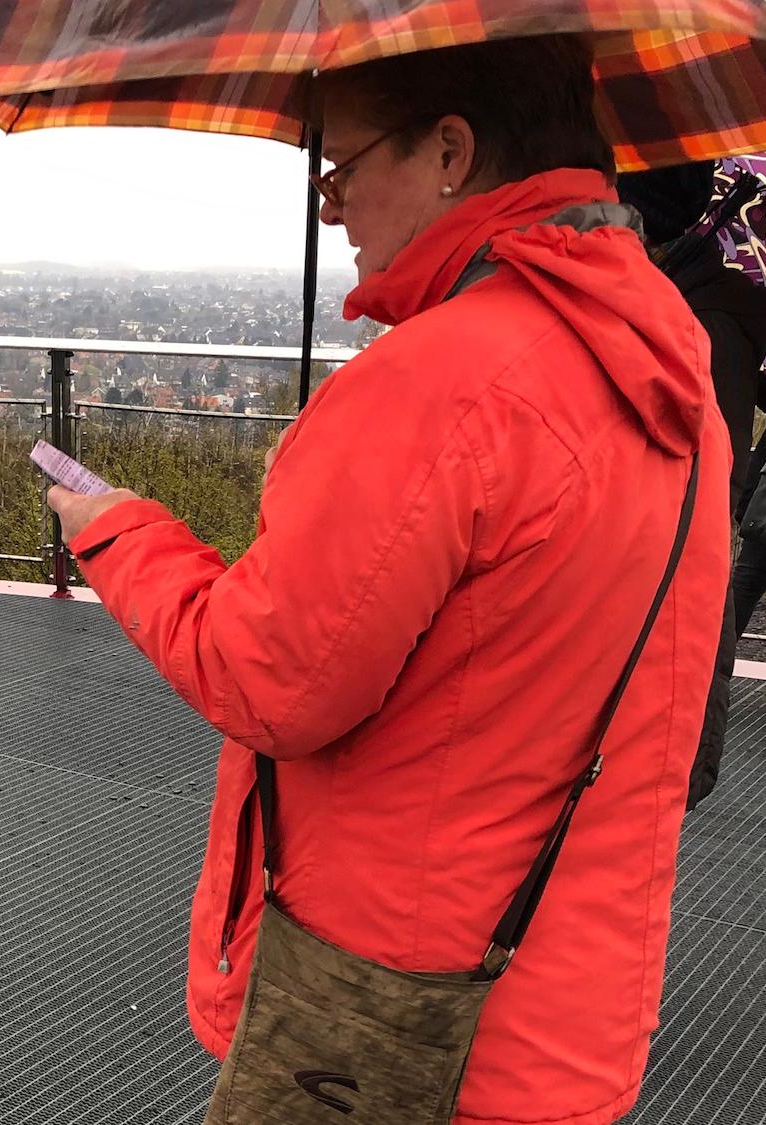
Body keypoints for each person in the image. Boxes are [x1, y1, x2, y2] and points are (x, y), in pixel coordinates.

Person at [45, 38, 728, 1125]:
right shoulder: (660, 356)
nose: (333, 209)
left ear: (448, 151)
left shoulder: (441, 381)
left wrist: (117, 531)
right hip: (561, 1007)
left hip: (386, 1023)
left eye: (341, 168)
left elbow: (267, 681)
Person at [616, 163, 766, 809]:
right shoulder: (698, 306)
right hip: (681, 557)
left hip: (673, 562)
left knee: (655, 787)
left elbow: (689, 465)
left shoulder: (693, 324)